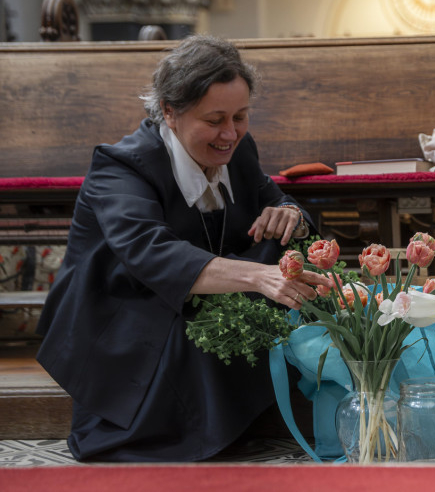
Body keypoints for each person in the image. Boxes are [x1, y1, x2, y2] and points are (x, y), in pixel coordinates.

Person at [36, 34, 332, 462]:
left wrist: (288, 213)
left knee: (283, 254)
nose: (230, 133)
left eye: (240, 116)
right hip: (125, 311)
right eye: (214, 120)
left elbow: (274, 197)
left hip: (198, 291)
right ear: (170, 112)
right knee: (256, 283)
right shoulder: (119, 167)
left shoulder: (239, 148)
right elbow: (151, 251)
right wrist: (258, 276)